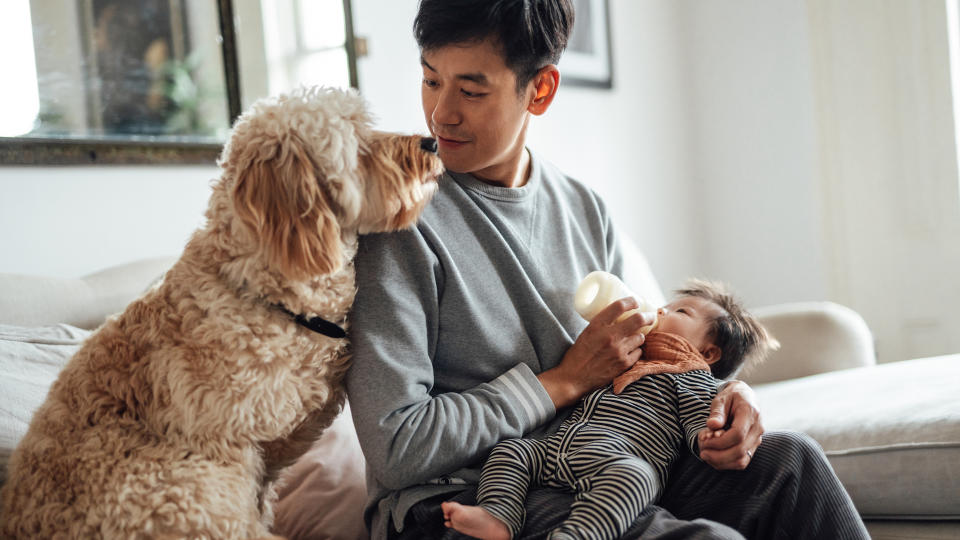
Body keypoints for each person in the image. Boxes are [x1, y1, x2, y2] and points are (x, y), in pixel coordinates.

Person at [345, 1, 869, 538]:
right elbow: (397, 448)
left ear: (540, 90)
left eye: (472, 91)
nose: (441, 114)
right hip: (462, 498)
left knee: (792, 464)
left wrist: (732, 398)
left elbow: (660, 351)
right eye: (431, 81)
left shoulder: (584, 209)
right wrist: (564, 381)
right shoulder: (398, 218)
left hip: (603, 466)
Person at [440, 280, 777, 540]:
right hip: (553, 449)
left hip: (616, 461)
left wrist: (716, 426)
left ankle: (577, 535)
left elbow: (702, 426)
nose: (660, 312)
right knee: (510, 450)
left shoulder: (689, 380)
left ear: (709, 353)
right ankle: (499, 514)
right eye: (664, 306)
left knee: (635, 479)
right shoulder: (622, 355)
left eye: (681, 312)